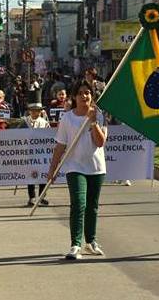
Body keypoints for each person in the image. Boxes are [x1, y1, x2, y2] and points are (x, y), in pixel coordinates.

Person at [48, 81, 107, 260]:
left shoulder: (99, 115)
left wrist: (92, 122)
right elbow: (60, 145)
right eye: (80, 93)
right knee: (79, 203)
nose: (84, 96)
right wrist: (53, 169)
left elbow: (100, 142)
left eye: (87, 93)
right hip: (74, 167)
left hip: (96, 167)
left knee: (92, 206)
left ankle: (91, 242)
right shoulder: (67, 118)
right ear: (74, 97)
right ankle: (75, 244)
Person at [23, 102, 51, 206]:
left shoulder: (44, 122)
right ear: (29, 111)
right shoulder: (24, 121)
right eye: (34, 110)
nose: (36, 112)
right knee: (31, 175)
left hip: (41, 152)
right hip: (28, 152)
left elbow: (49, 135)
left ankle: (42, 196)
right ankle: (32, 197)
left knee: (43, 175)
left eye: (38, 110)